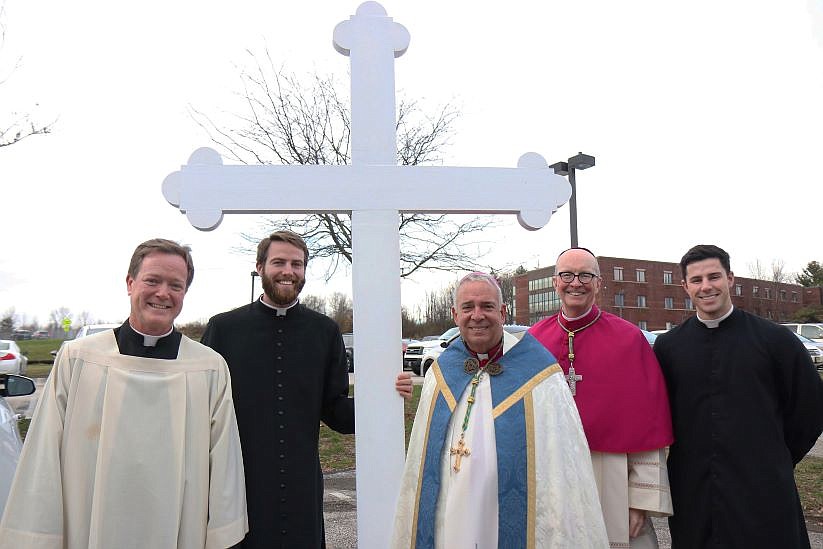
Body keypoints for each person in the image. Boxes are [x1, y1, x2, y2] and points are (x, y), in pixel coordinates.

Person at [0, 238, 248, 549]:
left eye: (175, 285)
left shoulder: (208, 368)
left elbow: (225, 465)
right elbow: (43, 457)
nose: (163, 293)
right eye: (152, 280)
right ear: (130, 283)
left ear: (185, 292)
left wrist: (223, 537)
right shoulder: (78, 359)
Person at [391, 272, 607, 548]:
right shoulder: (440, 374)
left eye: (487, 306)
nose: (477, 315)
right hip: (450, 513)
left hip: (507, 519)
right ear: (455, 315)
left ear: (503, 313)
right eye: (468, 307)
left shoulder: (542, 376)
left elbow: (562, 471)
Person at [653, 244, 823, 548]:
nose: (706, 287)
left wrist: (775, 457)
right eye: (697, 280)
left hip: (764, 486)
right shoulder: (668, 347)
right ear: (685, 286)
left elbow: (809, 409)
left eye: (714, 276)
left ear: (730, 278)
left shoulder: (775, 340)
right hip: (694, 488)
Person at [201, 230, 354, 549]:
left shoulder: (324, 331)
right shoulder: (224, 329)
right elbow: (202, 409)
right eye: (279, 262)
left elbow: (337, 411)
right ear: (260, 267)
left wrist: (386, 397)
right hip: (240, 482)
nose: (289, 271)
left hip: (302, 484)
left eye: (297, 264)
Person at [528, 247, 674, 548]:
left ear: (599, 283)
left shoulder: (629, 339)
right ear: (555, 282)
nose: (575, 283)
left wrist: (640, 500)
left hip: (612, 479)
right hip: (550, 476)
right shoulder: (533, 341)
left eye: (585, 275)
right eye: (567, 275)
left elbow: (648, 426)